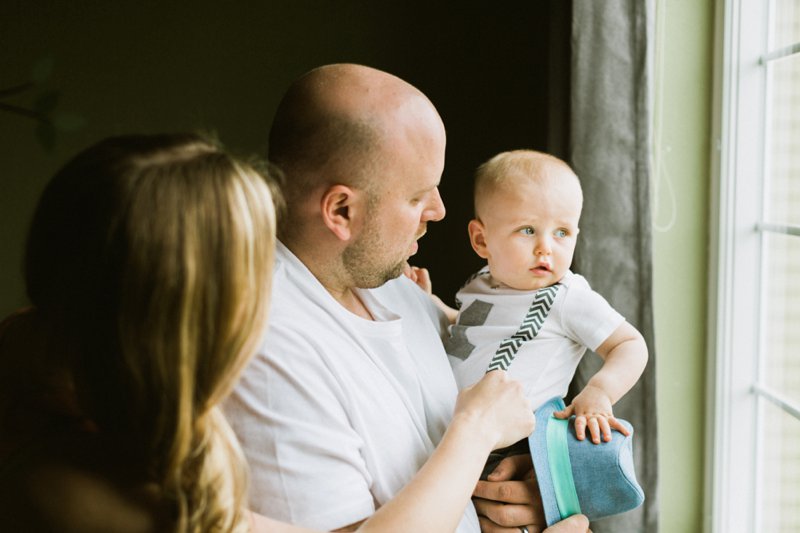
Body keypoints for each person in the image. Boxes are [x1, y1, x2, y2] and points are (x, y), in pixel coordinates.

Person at [0, 133, 589, 533]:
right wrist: (475, 429)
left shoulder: (125, 407)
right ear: (183, 310)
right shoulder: (60, 482)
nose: (277, 283)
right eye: (258, 259)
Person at [223, 63, 590, 533]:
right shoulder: (271, 345)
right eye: (419, 196)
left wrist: (504, 493)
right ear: (341, 210)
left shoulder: (394, 285)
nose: (438, 211)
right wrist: (476, 432)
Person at [442, 149, 649, 445]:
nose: (545, 248)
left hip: (511, 446)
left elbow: (630, 344)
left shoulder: (565, 298)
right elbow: (472, 333)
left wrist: (600, 390)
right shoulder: (481, 283)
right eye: (528, 230)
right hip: (452, 432)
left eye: (562, 232)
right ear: (481, 240)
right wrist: (429, 304)